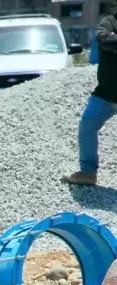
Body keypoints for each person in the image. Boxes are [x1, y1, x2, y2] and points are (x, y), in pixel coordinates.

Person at [63, 11, 117, 186]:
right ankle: (88, 173)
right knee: (87, 125)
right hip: (105, 93)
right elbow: (103, 39)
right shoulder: (109, 22)